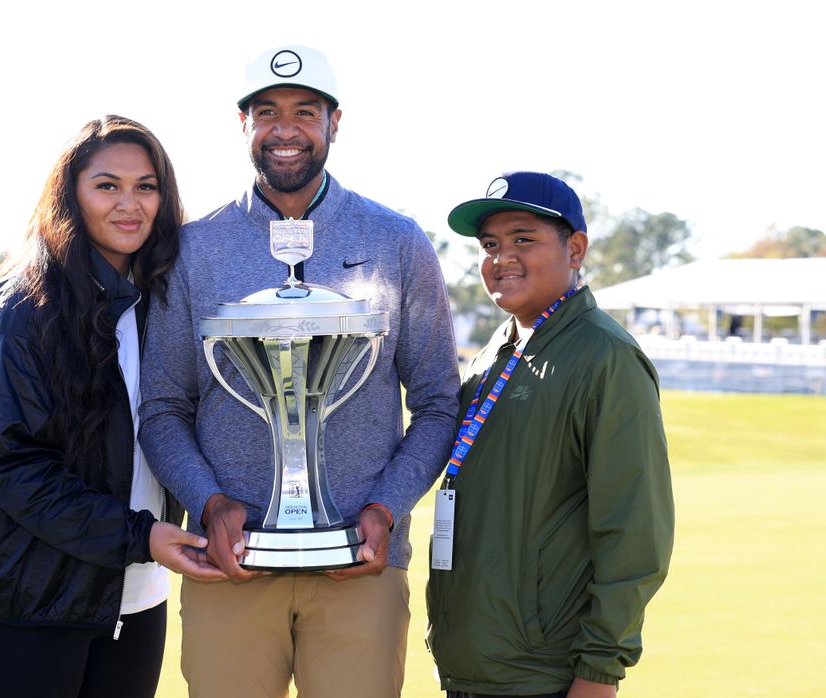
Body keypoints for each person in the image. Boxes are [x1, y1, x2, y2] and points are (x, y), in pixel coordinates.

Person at [139, 45, 461, 697]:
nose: (285, 130)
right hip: (230, 564)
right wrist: (211, 503)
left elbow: (436, 403)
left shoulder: (397, 242)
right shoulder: (191, 248)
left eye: (304, 112)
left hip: (360, 566)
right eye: (267, 113)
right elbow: (163, 408)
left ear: (334, 123)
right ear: (243, 125)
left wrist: (385, 509)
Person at [0, 115, 226, 698]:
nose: (129, 204)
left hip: (137, 596)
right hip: (27, 596)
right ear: (71, 195)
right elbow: (16, 471)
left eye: (146, 186)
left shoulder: (156, 304)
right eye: (107, 185)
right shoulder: (22, 312)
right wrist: (141, 536)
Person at [425, 171, 674, 698]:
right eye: (489, 244)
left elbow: (634, 531)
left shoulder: (607, 358)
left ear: (576, 248)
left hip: (545, 676)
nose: (501, 257)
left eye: (523, 239)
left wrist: (600, 672)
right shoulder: (501, 346)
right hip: (473, 665)